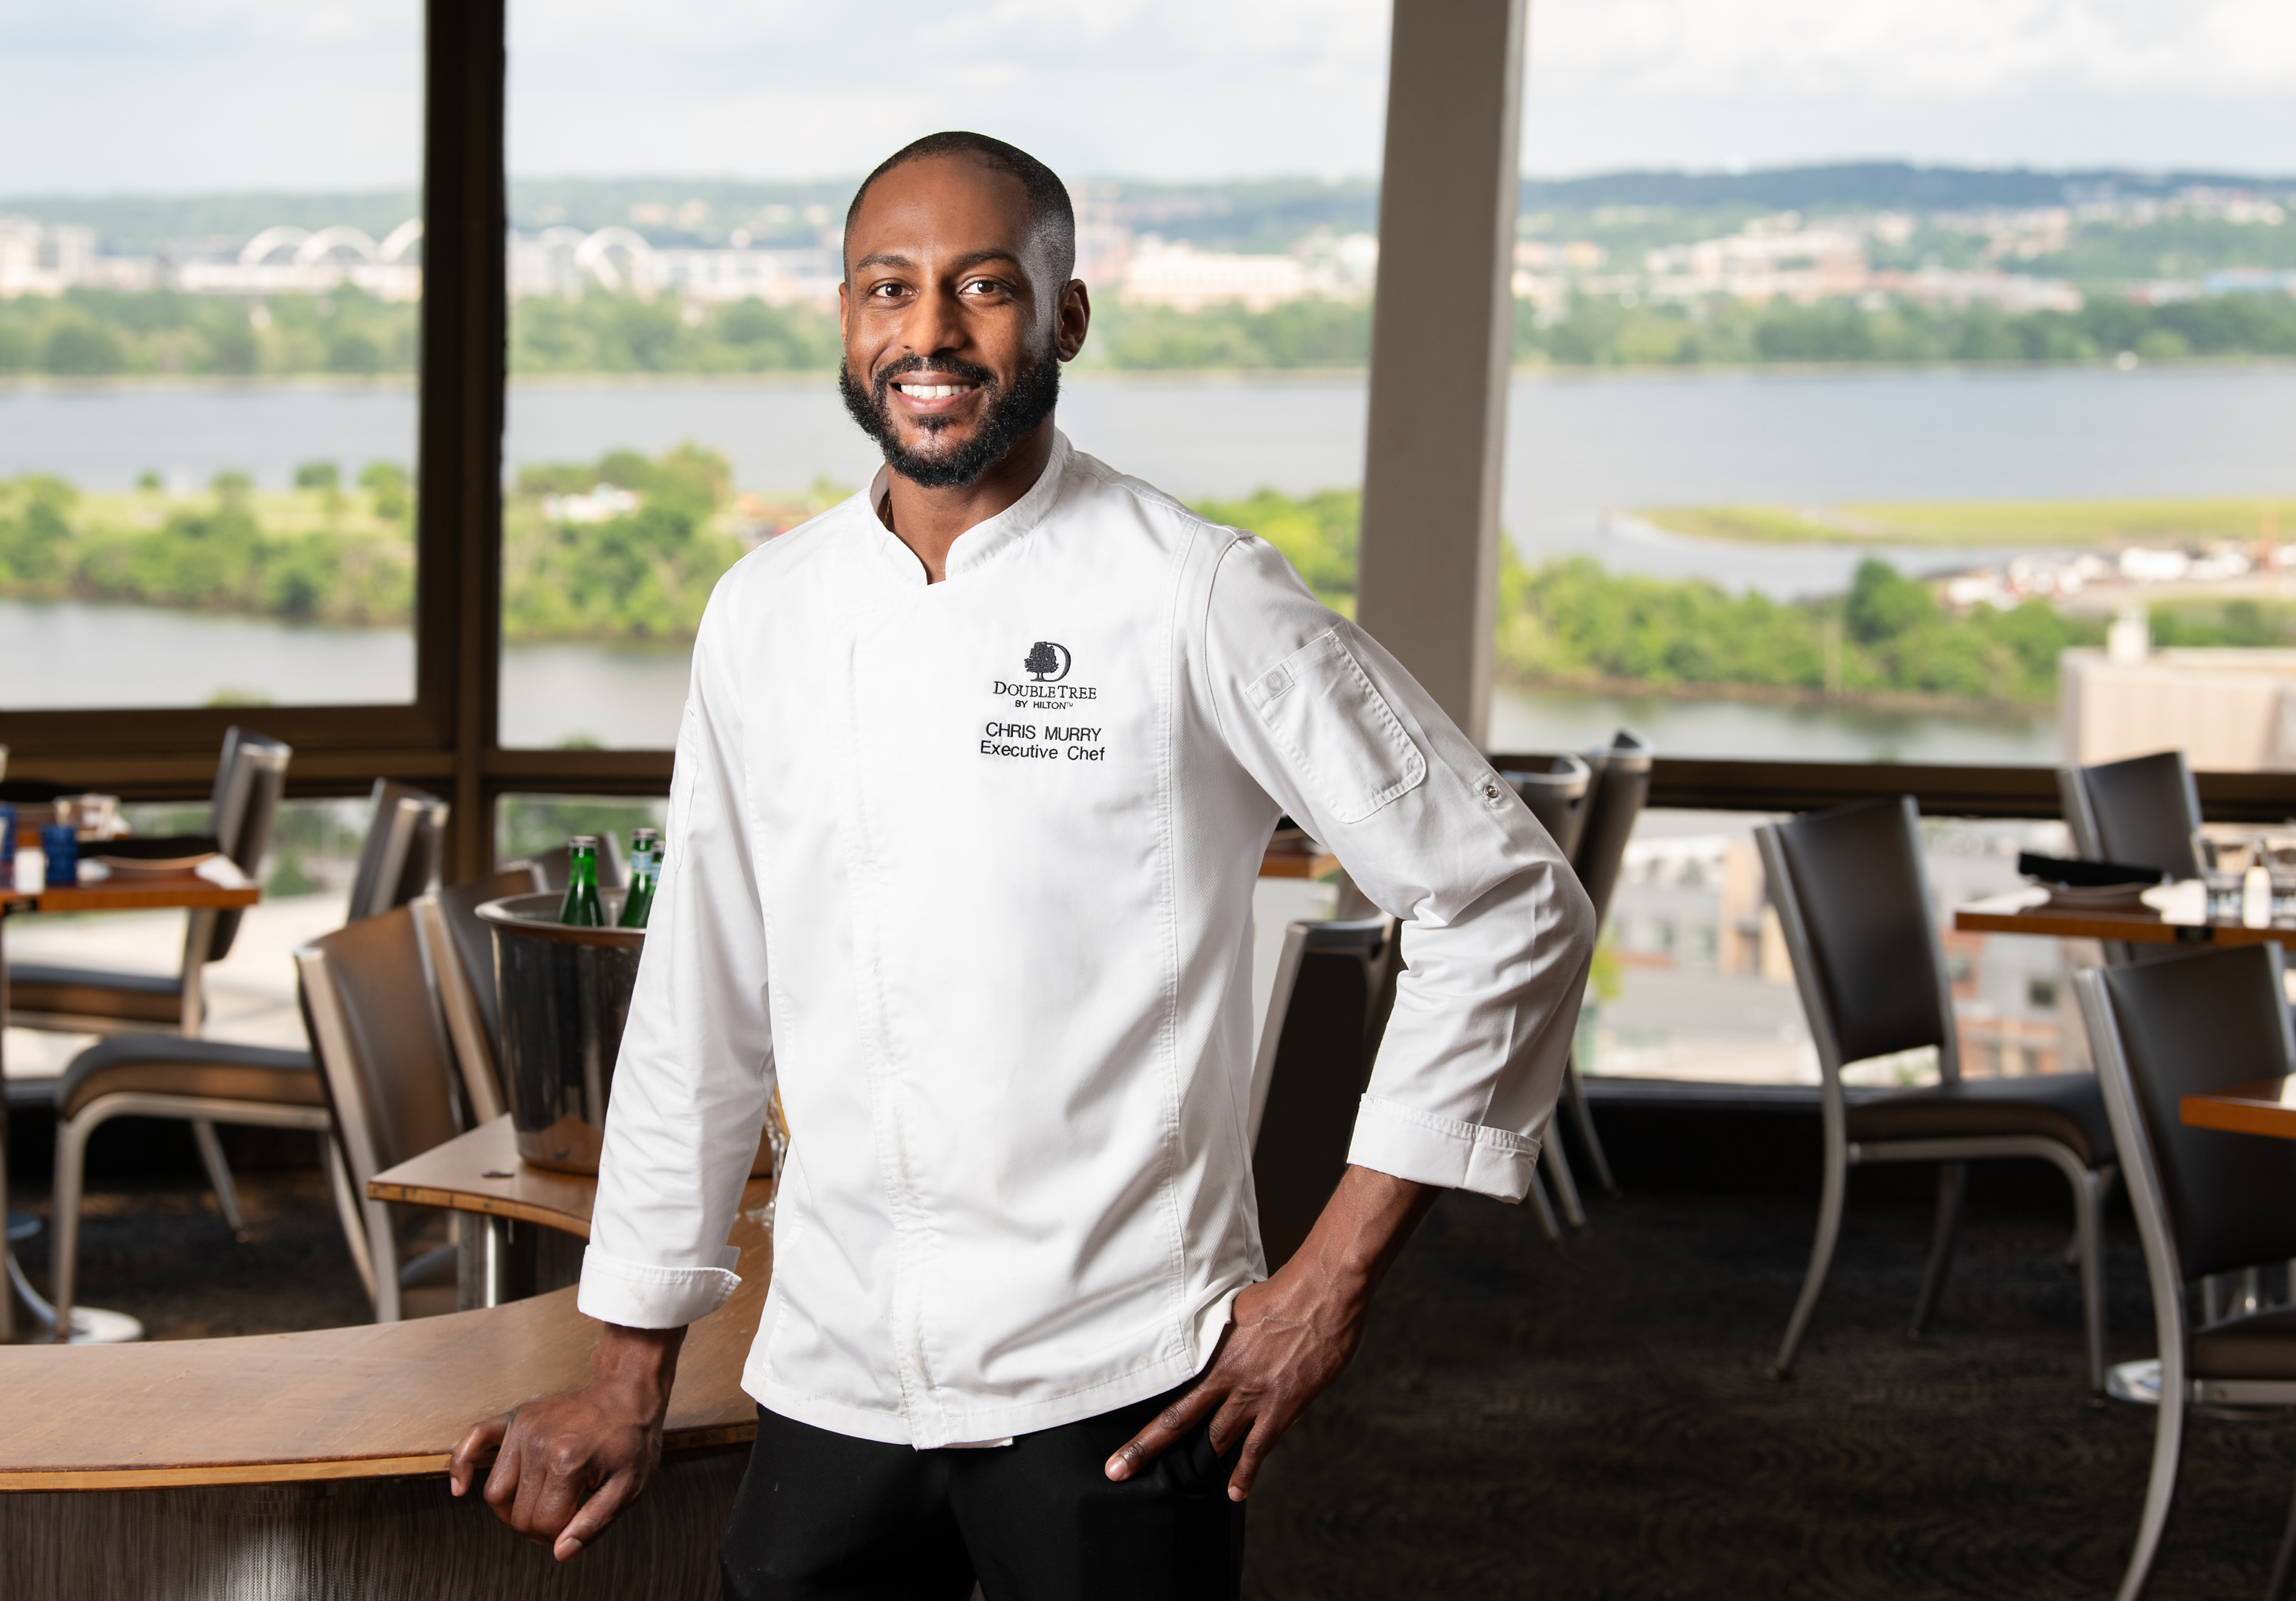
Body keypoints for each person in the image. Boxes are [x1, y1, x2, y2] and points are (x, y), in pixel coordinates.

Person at [449, 130, 1595, 1599]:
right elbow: (700, 1000)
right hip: (836, 1367)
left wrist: (1327, 1284)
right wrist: (629, 1367)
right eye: (889, 288)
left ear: (1067, 316)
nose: (927, 332)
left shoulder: (1193, 590)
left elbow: (1505, 901)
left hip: (1119, 1376)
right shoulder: (765, 612)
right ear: (846, 317)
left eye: (983, 288)